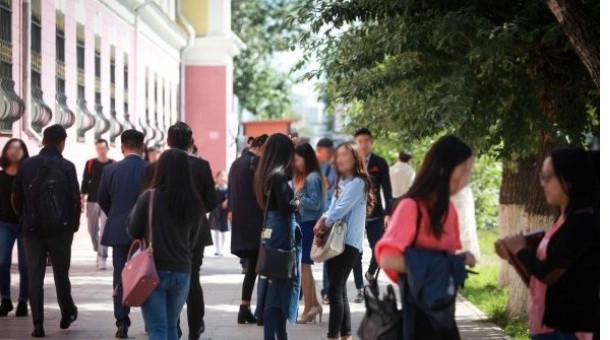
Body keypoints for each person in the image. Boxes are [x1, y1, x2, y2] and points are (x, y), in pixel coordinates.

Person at [375, 135, 477, 339]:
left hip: (445, 314)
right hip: (419, 318)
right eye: (464, 171)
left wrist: (458, 260)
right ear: (443, 169)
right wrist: (446, 262)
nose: (467, 178)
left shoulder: (449, 210)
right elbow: (387, 259)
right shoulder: (411, 207)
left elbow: (445, 258)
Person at [496, 148, 599, 340]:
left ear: (569, 179)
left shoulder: (582, 222)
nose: (542, 184)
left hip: (568, 330)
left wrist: (520, 250)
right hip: (547, 325)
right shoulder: (563, 221)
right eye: (541, 177)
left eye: (548, 177)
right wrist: (513, 256)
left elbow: (549, 274)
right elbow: (538, 276)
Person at [141, 122, 218, 339]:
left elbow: (143, 203)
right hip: (194, 231)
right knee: (192, 277)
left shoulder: (153, 167)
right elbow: (212, 202)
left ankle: (169, 326)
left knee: (162, 276)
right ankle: (195, 326)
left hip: (160, 234)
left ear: (167, 141)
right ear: (191, 142)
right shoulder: (201, 166)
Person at [12, 125, 80, 337]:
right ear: (62, 142)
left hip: (32, 230)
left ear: (43, 140)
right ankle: (67, 313)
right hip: (61, 230)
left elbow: (15, 197)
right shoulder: (67, 166)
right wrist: (73, 225)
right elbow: (74, 200)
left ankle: (38, 325)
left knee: (35, 276)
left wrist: (24, 218)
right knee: (61, 274)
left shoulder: (26, 165)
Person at [128, 149, 203, 340]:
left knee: (157, 328)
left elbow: (132, 228)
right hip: (182, 271)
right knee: (170, 326)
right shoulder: (194, 201)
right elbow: (193, 240)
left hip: (153, 271)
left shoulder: (149, 197)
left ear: (161, 169)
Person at [313, 141, 372, 340]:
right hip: (336, 240)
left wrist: (323, 223)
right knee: (340, 291)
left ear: (355, 158)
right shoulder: (343, 182)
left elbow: (340, 210)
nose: (340, 159)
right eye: (338, 156)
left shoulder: (358, 183)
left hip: (348, 242)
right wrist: (322, 219)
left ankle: (333, 336)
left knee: (335, 289)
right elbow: (332, 207)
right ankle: (345, 335)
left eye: (345, 155)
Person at [98, 129, 148, 339]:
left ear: (122, 147)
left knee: (120, 277)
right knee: (148, 274)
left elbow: (102, 199)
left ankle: (121, 322)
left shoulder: (110, 170)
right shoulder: (151, 169)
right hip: (146, 233)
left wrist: (117, 216)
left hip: (119, 231)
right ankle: (151, 321)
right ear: (142, 147)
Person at [254, 133, 302, 340]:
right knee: (278, 291)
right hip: (282, 236)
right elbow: (286, 207)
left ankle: (276, 335)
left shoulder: (266, 174)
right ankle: (278, 336)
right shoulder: (279, 176)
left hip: (271, 235)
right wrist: (297, 203)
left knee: (272, 286)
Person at [228, 134, 268, 324]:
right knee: (262, 267)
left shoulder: (236, 164)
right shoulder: (257, 163)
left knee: (252, 267)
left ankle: (244, 307)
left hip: (241, 223)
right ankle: (260, 310)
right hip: (259, 222)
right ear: (261, 147)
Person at [352, 128, 393, 302]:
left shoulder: (380, 163)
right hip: (355, 215)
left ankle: (370, 273)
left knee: (379, 249)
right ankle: (360, 287)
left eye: (365, 141)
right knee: (355, 252)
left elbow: (387, 190)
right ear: (356, 143)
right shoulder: (351, 163)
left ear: (371, 142)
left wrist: (388, 213)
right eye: (359, 141)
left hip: (376, 214)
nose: (362, 144)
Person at [293, 143, 325, 324]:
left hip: (309, 223)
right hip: (307, 223)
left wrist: (299, 198)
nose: (296, 164)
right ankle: (314, 305)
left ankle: (308, 308)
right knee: (306, 267)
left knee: (304, 266)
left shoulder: (312, 177)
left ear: (306, 158)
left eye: (298, 160)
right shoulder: (311, 176)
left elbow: (316, 204)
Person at [0, 139, 29, 318]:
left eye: (18, 148)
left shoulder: (27, 175)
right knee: (2, 261)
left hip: (25, 225)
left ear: (24, 153)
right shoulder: (0, 176)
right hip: (4, 224)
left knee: (25, 266)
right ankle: (5, 299)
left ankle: (23, 301)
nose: (13, 151)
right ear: (5, 152)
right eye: (10, 147)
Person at [81, 139, 115, 270]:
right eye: (98, 148)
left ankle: (101, 258)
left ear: (107, 149)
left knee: (104, 230)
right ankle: (97, 247)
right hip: (92, 201)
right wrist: (82, 199)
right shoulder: (90, 163)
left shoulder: (113, 164)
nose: (101, 150)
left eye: (103, 148)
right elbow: (85, 182)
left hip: (107, 202)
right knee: (92, 230)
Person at [315, 137, 336, 304]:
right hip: (311, 216)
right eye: (327, 152)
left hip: (328, 216)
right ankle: (300, 289)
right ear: (319, 150)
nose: (330, 155)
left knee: (328, 254)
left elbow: (335, 191)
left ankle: (327, 291)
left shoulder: (335, 168)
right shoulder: (310, 167)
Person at [210, 171, 229, 256]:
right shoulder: (214, 188)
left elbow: (231, 197)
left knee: (223, 230)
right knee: (216, 230)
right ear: (216, 178)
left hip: (224, 212)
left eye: (224, 176)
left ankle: (222, 248)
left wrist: (227, 201)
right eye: (220, 176)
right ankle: (217, 249)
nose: (222, 178)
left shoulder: (228, 189)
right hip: (215, 211)